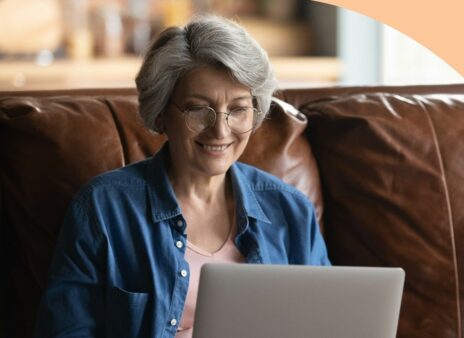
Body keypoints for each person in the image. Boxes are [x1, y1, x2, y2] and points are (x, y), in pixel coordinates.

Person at [35, 15, 330, 337]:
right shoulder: (103, 209)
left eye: (239, 109)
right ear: (161, 113)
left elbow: (325, 324)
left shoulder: (292, 211)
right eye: (198, 109)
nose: (220, 130)